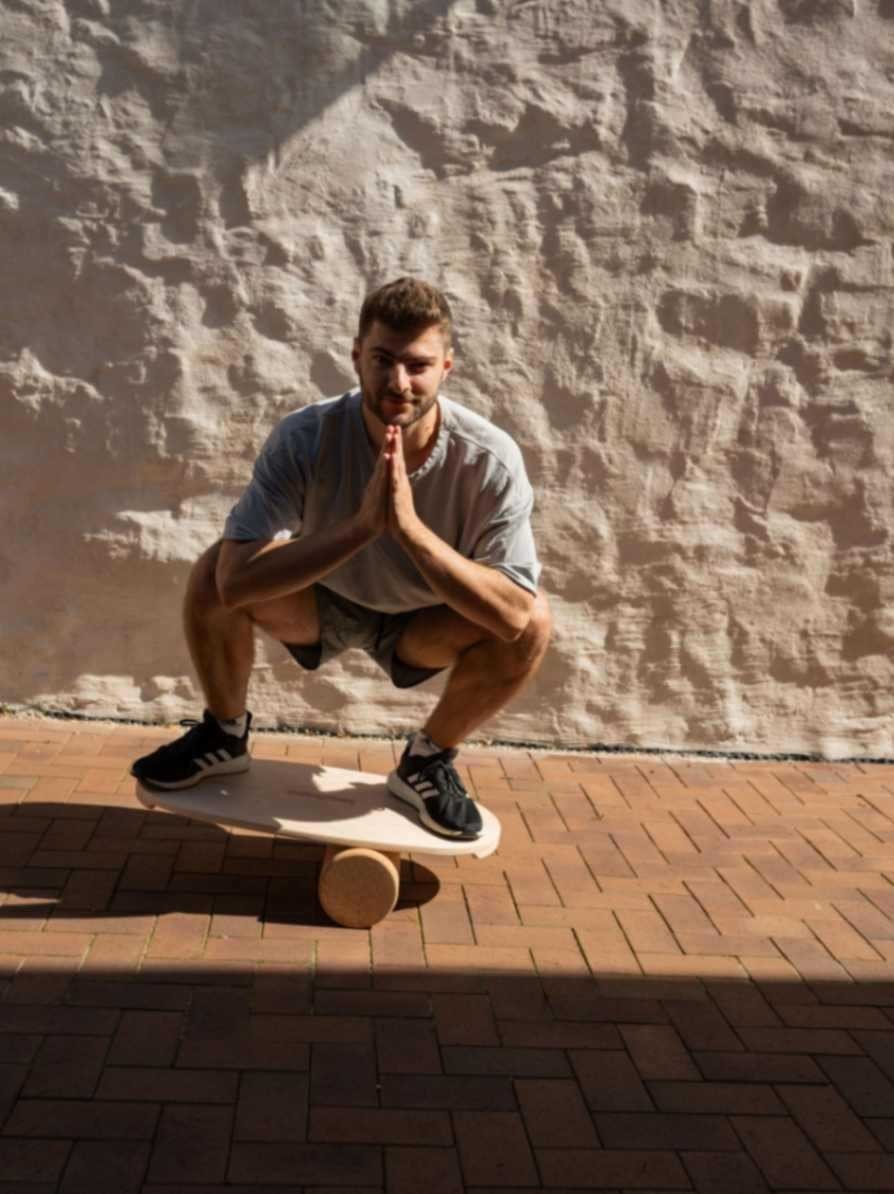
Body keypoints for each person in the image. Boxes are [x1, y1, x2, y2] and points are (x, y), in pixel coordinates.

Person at [131, 277, 551, 839]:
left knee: (534, 620)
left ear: (446, 368)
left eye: (418, 365)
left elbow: (512, 616)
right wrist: (361, 528)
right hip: (323, 603)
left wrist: (407, 529)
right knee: (214, 569)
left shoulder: (489, 459)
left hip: (424, 621)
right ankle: (224, 736)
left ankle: (427, 762)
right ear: (356, 357)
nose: (399, 382)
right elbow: (233, 583)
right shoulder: (306, 436)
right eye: (383, 360)